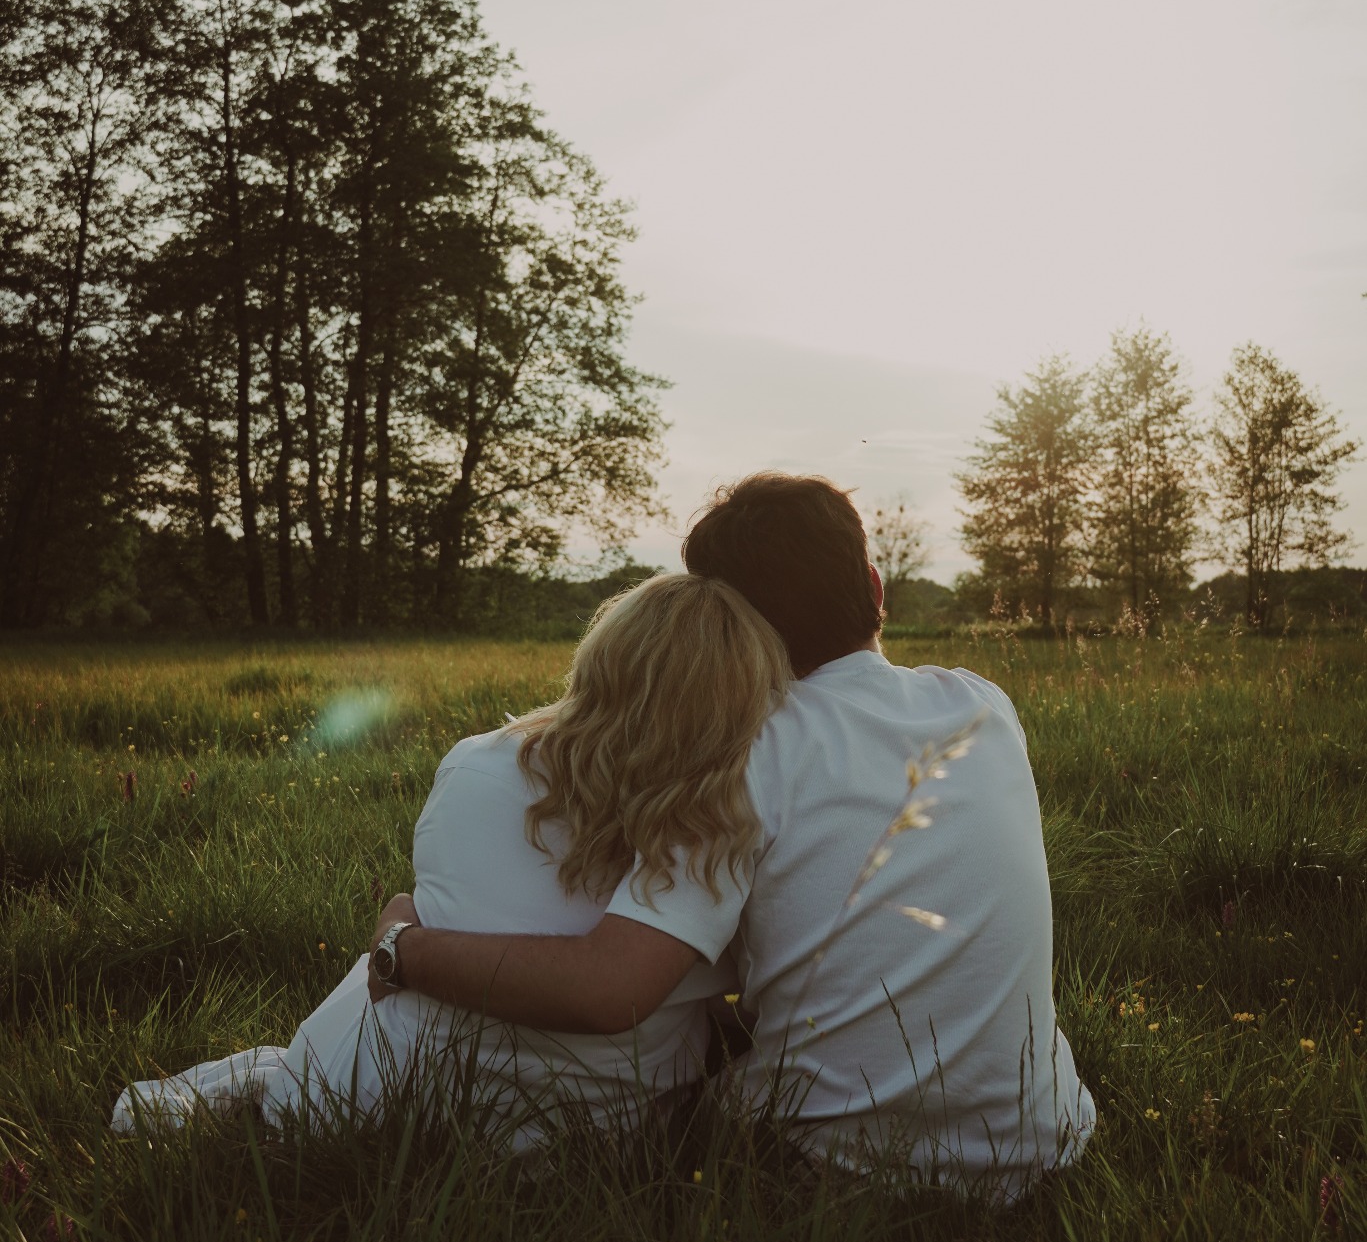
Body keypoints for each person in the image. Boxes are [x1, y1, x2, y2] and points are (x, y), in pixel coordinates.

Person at [370, 473, 1095, 1197]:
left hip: (829, 1168)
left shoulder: (736, 755)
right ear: (875, 589)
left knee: (672, 1082)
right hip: (1041, 1142)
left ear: (720, 624)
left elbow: (609, 991)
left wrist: (404, 946)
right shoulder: (982, 707)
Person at [111, 572, 789, 1144]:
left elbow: (477, 905)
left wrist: (402, 940)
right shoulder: (715, 814)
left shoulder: (475, 760)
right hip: (572, 1129)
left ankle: (284, 1072)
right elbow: (612, 989)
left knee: (409, 936)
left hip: (367, 1097)